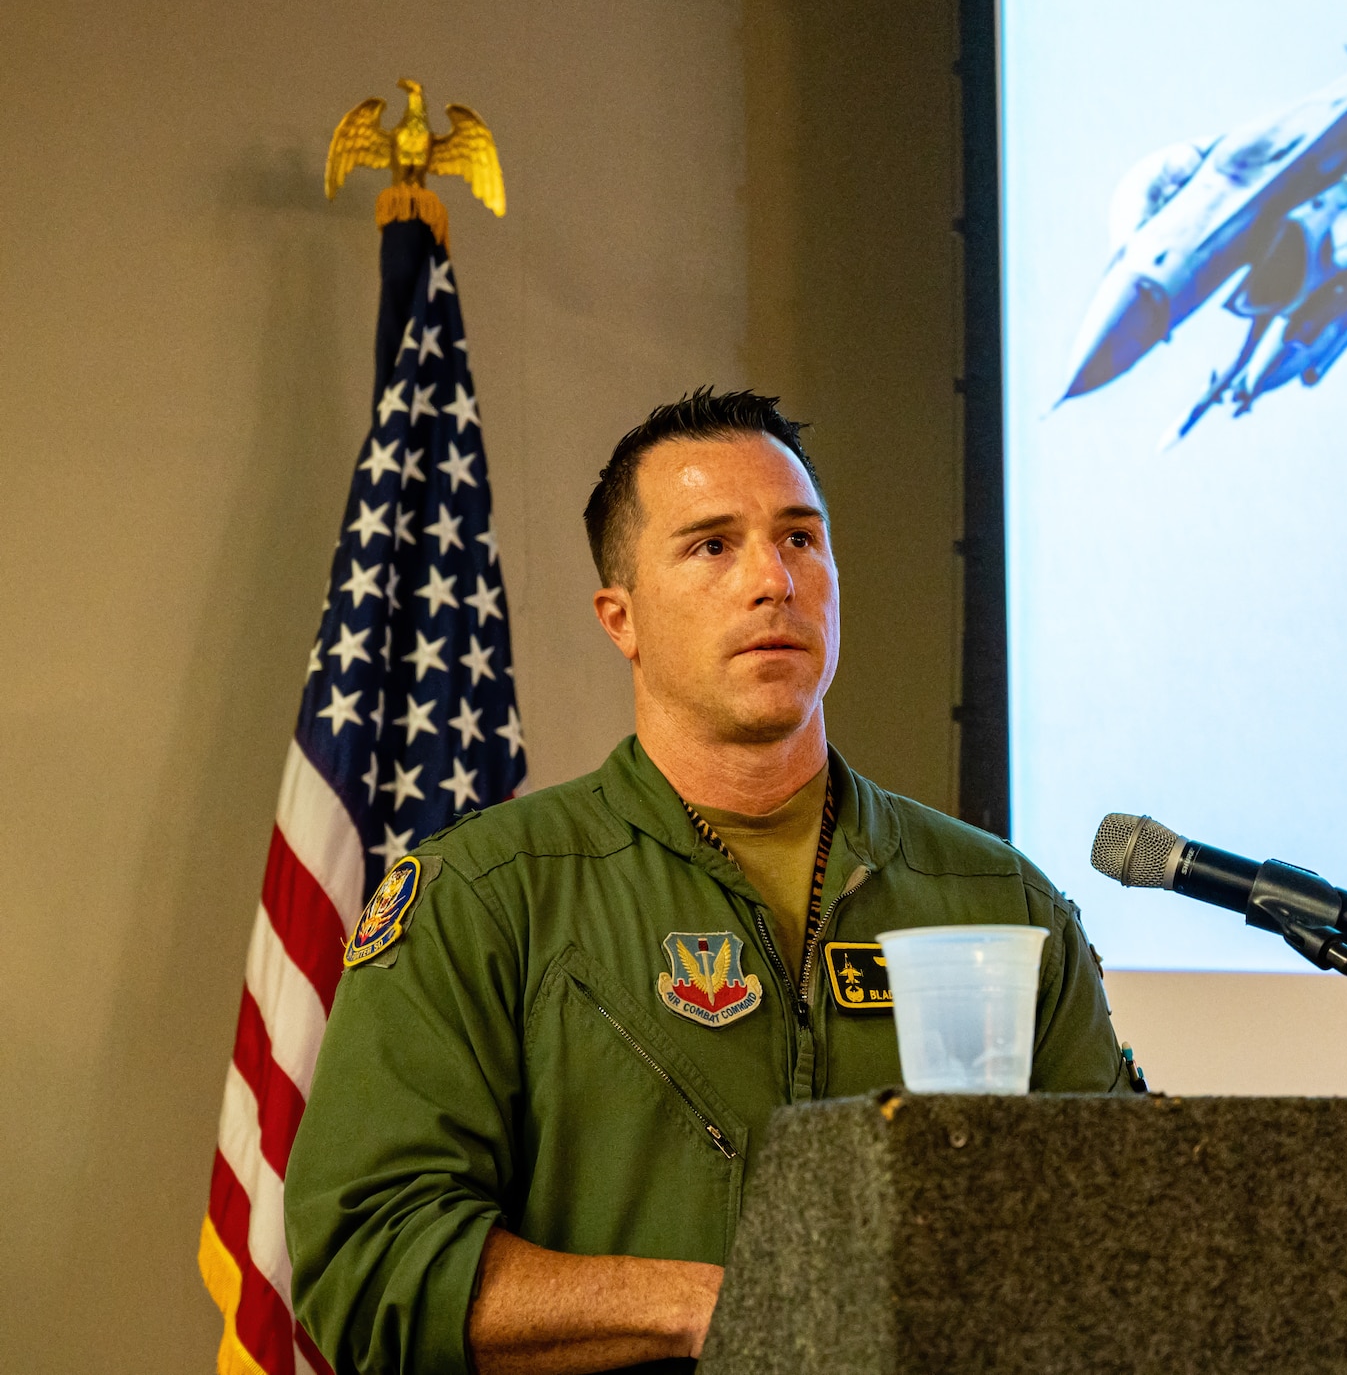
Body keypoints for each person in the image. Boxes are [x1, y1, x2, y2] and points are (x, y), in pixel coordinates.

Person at [286, 389, 1139, 1375]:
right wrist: (706, 1303)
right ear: (622, 618)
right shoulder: (486, 895)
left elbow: (1115, 1237)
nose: (772, 580)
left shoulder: (1000, 899)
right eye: (710, 546)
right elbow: (369, 1259)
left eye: (800, 539)